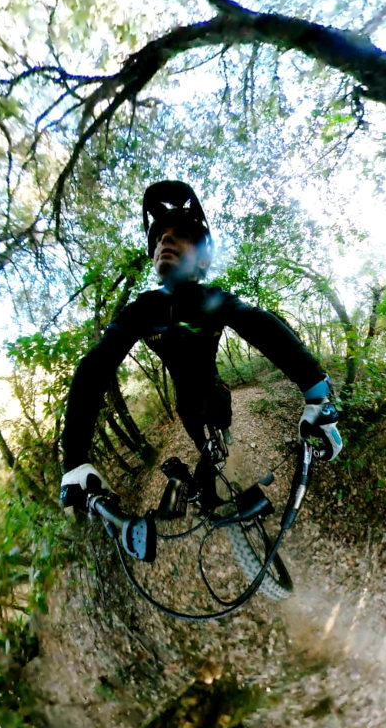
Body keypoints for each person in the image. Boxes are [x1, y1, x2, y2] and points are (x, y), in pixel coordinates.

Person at [60, 180, 342, 509]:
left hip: (216, 393)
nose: (165, 239)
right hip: (186, 404)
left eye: (179, 234)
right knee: (200, 444)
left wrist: (316, 389)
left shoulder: (213, 298)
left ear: (203, 260)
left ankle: (228, 450)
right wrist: (75, 458)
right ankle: (210, 473)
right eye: (160, 238)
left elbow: (259, 325)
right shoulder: (143, 309)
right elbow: (97, 365)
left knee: (223, 426)